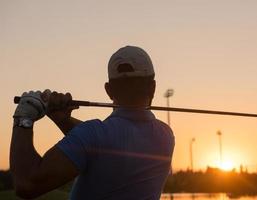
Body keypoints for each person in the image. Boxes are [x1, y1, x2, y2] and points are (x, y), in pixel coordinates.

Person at [10, 46, 175, 199]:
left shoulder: (93, 135)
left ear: (108, 90)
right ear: (153, 87)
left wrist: (24, 117)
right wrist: (63, 120)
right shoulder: (165, 136)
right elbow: (104, 144)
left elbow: (27, 184)